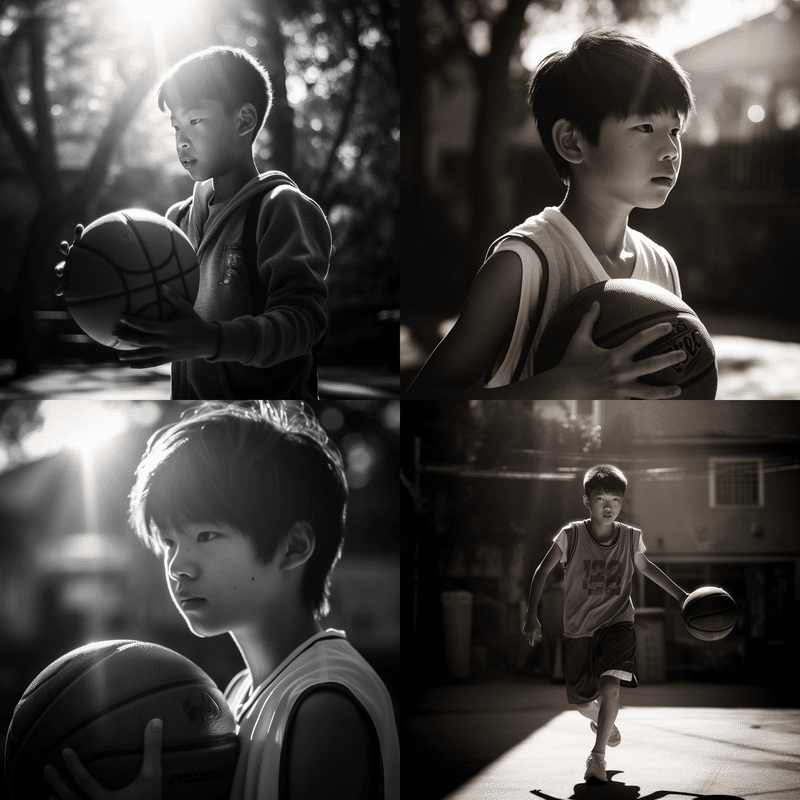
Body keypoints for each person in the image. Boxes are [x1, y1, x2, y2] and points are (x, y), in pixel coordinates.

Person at [44, 401, 400, 800]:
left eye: (206, 536)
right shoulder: (238, 693)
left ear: (293, 547)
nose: (178, 566)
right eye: (168, 542)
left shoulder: (322, 704)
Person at [407, 30, 696, 399]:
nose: (671, 149)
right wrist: (558, 388)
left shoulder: (662, 266)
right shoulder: (522, 265)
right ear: (572, 142)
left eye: (675, 130)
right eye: (645, 127)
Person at [58, 46, 331, 400]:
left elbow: (305, 322)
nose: (181, 140)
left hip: (267, 424)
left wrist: (210, 340)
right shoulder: (176, 220)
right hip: (192, 416)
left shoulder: (281, 208)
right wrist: (90, 276)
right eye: (175, 126)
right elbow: (147, 312)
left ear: (244, 121)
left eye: (195, 120)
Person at [522, 464, 688, 784]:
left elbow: (647, 568)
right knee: (583, 702)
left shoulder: (629, 537)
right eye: (600, 498)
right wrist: (531, 614)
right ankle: (603, 720)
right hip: (579, 629)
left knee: (611, 685)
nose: (609, 505)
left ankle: (597, 758)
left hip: (617, 623)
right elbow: (542, 571)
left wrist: (682, 596)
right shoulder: (570, 535)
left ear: (622, 503)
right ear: (587, 501)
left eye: (616, 499)